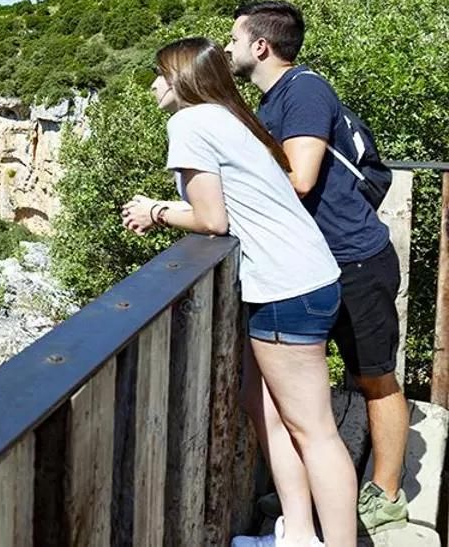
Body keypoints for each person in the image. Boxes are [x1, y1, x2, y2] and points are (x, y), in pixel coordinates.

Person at [121, 37, 357, 547]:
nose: (154, 84)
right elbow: (234, 203)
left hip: (285, 287)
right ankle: (297, 533)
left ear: (181, 77)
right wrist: (170, 204)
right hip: (302, 277)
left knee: (315, 431)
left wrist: (157, 212)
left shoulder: (187, 123)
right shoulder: (225, 116)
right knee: (261, 403)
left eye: (160, 73)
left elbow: (212, 218)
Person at [226, 1, 408, 535]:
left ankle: (386, 494)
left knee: (374, 378)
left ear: (261, 46)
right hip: (312, 269)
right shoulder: (274, 102)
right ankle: (302, 503)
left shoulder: (304, 90)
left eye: (235, 38)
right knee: (285, 395)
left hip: (354, 261)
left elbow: (301, 177)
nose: (230, 47)